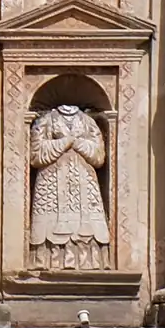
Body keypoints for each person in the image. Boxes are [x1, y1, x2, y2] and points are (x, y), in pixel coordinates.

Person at [28, 103, 110, 270]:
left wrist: (78, 143)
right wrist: (65, 142)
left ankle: (89, 263)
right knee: (48, 227)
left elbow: (99, 155)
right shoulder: (46, 120)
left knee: (87, 228)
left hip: (83, 180)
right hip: (51, 181)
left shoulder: (88, 122)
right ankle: (47, 262)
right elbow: (35, 153)